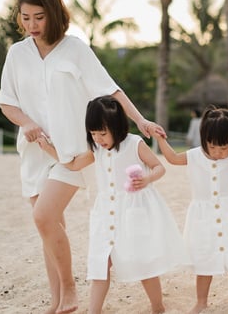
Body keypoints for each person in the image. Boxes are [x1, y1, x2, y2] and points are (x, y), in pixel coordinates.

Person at [0, 0, 165, 314]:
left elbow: (111, 90)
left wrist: (141, 121)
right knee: (49, 225)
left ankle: (70, 290)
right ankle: (58, 300)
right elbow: (6, 102)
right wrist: (26, 123)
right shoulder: (17, 54)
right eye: (25, 18)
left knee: (43, 216)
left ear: (54, 14)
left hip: (70, 153)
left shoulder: (75, 49)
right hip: (33, 152)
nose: (31, 25)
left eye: (39, 17)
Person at [37, 96, 188, 313]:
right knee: (100, 263)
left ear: (116, 126)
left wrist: (146, 179)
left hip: (133, 211)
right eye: (93, 134)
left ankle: (157, 306)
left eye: (102, 133)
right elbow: (73, 164)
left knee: (142, 261)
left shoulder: (134, 144)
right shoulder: (96, 149)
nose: (98, 138)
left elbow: (159, 167)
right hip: (105, 211)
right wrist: (49, 149)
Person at [154, 106, 228, 314]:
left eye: (224, 148)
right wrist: (161, 139)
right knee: (203, 260)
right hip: (203, 219)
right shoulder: (195, 156)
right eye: (212, 147)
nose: (218, 152)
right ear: (204, 138)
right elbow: (172, 158)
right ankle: (201, 301)